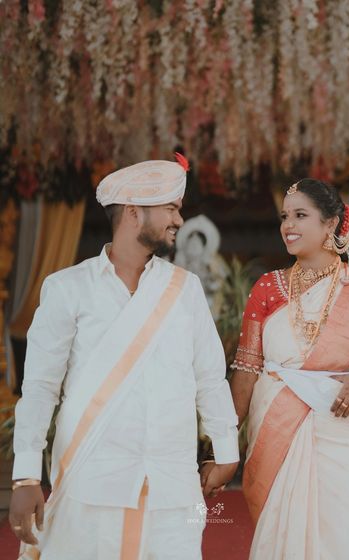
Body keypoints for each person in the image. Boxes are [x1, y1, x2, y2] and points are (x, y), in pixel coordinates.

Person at [9, 155, 239, 559]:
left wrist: (227, 450)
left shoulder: (185, 288)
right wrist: (25, 476)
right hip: (92, 480)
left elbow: (209, 377)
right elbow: (40, 388)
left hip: (172, 484)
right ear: (134, 212)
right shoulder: (67, 288)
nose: (179, 221)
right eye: (170, 208)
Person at [230, 178, 349, 560]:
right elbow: (246, 370)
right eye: (284, 216)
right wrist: (224, 441)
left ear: (331, 224)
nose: (288, 225)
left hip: (348, 440)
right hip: (277, 434)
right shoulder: (267, 288)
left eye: (300, 215)